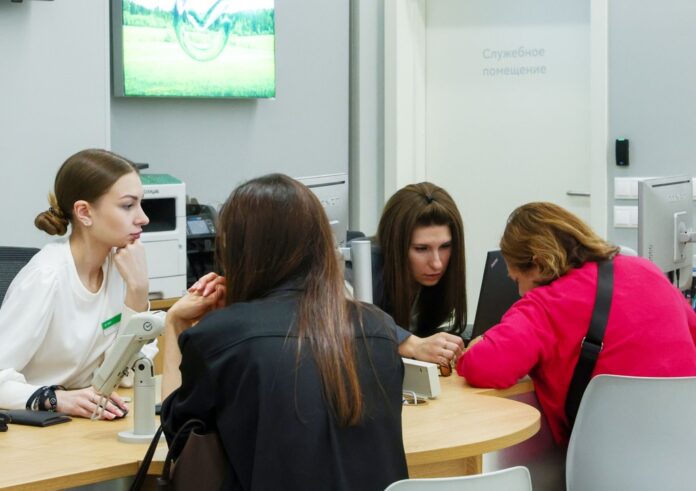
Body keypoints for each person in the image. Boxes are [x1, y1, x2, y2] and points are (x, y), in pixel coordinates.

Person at [160, 174, 408, 491]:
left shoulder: (220, 337)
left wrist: (176, 325)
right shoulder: (379, 328)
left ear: (239, 251)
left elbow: (179, 440)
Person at [457, 202, 696, 445]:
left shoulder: (543, 306)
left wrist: (477, 345)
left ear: (538, 264)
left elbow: (483, 367)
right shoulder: (646, 269)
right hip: (685, 448)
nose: (519, 292)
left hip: (606, 458)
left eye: (517, 279)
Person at [0, 148, 154, 419]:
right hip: (31, 427)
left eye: (140, 204)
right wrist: (55, 399)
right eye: (128, 206)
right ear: (84, 212)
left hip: (83, 423)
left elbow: (126, 376)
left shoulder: (121, 267)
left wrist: (138, 292)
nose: (143, 218)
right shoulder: (47, 276)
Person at [367, 182, 467, 367]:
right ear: (395, 245)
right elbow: (349, 324)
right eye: (421, 249)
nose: (437, 263)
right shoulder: (359, 271)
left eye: (445, 246)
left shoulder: (432, 285)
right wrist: (412, 345)